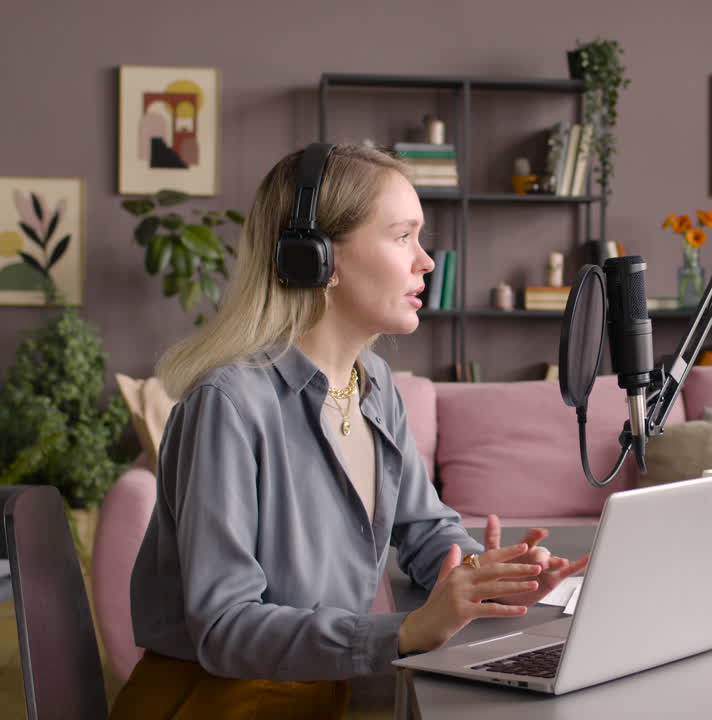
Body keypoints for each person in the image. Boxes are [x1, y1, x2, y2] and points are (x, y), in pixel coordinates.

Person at [111, 143, 588, 719]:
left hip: (317, 695)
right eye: (402, 235)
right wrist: (407, 631)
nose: (426, 261)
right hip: (212, 703)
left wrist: (489, 577)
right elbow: (224, 627)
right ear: (315, 257)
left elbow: (425, 528)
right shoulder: (229, 405)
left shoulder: (375, 384)